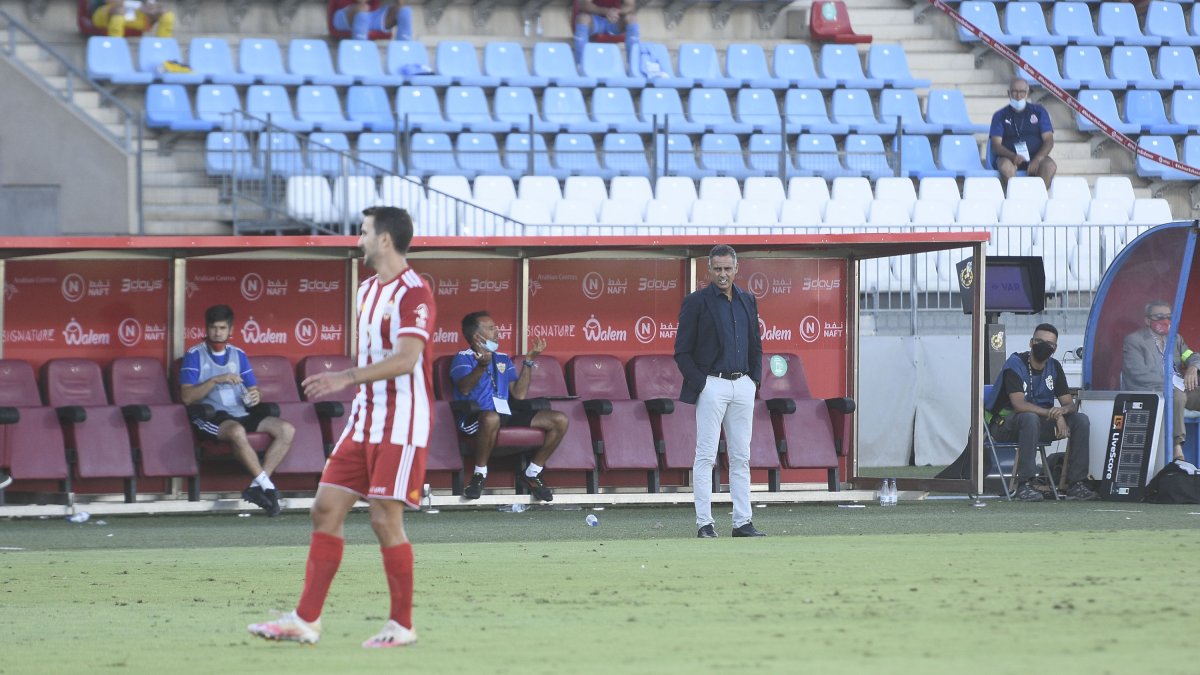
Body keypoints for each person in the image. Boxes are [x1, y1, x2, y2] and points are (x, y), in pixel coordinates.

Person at [248, 206, 435, 648]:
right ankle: (305, 621)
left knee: (384, 519)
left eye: (364, 232)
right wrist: (353, 384)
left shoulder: (415, 292)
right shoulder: (366, 289)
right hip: (364, 419)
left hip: (401, 422)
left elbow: (407, 359)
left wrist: (344, 378)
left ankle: (401, 626)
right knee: (325, 510)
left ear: (384, 240)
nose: (358, 240)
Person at [674, 244, 765, 538]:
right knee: (706, 456)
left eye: (727, 268)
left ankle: (742, 522)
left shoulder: (747, 300)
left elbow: (756, 345)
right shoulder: (696, 302)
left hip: (743, 384)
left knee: (741, 457)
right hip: (712, 384)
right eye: (717, 269)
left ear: (736, 268)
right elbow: (682, 352)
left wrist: (754, 380)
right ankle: (705, 523)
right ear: (709, 270)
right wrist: (703, 384)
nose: (723, 274)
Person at [180, 304, 295, 517]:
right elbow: (187, 397)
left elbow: (253, 389)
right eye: (213, 327)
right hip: (211, 415)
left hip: (241, 412)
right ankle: (268, 488)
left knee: (287, 429)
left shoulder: (238, 354)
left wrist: (256, 395)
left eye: (222, 328)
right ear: (206, 328)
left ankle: (258, 486)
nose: (217, 332)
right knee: (236, 431)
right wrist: (215, 380)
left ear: (230, 330)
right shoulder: (194, 355)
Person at [450, 312, 566, 502]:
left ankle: (532, 472)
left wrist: (529, 361)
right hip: (475, 418)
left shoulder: (503, 358)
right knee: (491, 417)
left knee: (559, 420)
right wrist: (481, 367)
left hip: (505, 413)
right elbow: (464, 388)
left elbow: (519, 394)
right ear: (477, 337)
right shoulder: (463, 357)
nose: (497, 332)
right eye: (491, 328)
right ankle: (479, 475)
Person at [984, 323, 1098, 502]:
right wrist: (1055, 415)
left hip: (1039, 424)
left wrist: (1062, 411)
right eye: (1039, 341)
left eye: (1049, 344)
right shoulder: (1015, 365)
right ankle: (1025, 484)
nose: (1044, 346)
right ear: (1031, 343)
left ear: (1055, 349)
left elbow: (1069, 404)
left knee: (1080, 420)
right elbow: (1019, 405)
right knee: (1029, 418)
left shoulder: (1054, 367)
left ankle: (1076, 484)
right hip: (1005, 426)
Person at [1122, 301, 1200, 462]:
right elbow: (1137, 373)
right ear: (1147, 320)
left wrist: (1193, 367)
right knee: (1176, 395)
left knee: (1181, 393)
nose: (1165, 320)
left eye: (1168, 317)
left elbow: (1191, 356)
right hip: (1151, 390)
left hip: (1179, 388)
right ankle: (1176, 447)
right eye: (1159, 317)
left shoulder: (1175, 339)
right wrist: (1170, 383)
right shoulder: (1134, 341)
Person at [989, 77, 1056, 190]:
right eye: (1014, 92)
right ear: (1009, 93)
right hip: (1009, 158)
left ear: (1027, 93)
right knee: (1005, 166)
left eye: (1022, 92)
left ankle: (1038, 196)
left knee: (1049, 166)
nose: (1018, 95)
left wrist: (1037, 159)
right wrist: (1013, 156)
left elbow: (1049, 140)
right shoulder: (999, 115)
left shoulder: (1039, 111)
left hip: (1036, 156)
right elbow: (995, 144)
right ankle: (1016, 195)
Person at [573, 0, 640, 71]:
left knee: (632, 18)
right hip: (595, 19)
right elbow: (584, 4)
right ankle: (581, 64)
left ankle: (634, 65)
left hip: (616, 20)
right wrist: (606, 11)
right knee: (582, 18)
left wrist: (616, 12)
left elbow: (630, 5)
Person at [332, 0, 412, 41]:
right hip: (346, 13)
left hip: (374, 16)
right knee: (363, 9)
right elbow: (361, 1)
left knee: (404, 11)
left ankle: (404, 53)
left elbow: (400, 3)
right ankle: (359, 51)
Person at [90, 0, 175, 38]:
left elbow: (150, 3)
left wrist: (152, 8)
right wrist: (139, 6)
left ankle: (162, 47)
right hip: (105, 13)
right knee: (119, 12)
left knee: (166, 13)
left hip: (135, 16)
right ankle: (115, 47)